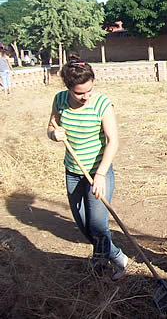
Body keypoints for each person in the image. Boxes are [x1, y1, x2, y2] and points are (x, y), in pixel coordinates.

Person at [47, 55, 129, 279]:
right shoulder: (60, 100)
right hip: (73, 171)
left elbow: (113, 141)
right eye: (79, 93)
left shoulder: (102, 104)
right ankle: (118, 255)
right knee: (83, 224)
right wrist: (54, 134)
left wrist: (101, 174)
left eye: (89, 90)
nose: (86, 97)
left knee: (98, 225)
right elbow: (52, 126)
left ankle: (100, 269)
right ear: (68, 88)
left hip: (99, 172)